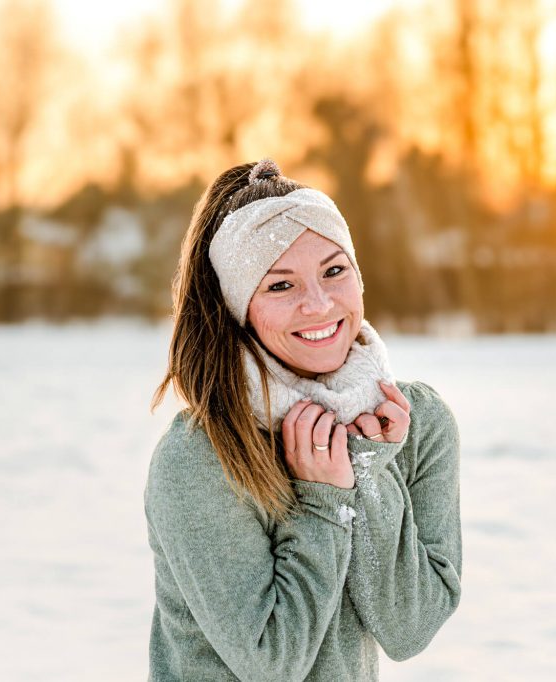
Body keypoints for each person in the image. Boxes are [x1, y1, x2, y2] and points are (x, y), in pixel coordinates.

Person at [145, 158, 462, 681]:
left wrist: (365, 469)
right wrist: (321, 504)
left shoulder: (416, 423)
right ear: (238, 307)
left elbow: (410, 629)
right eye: (279, 286)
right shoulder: (201, 455)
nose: (318, 304)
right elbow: (272, 664)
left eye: (334, 271)